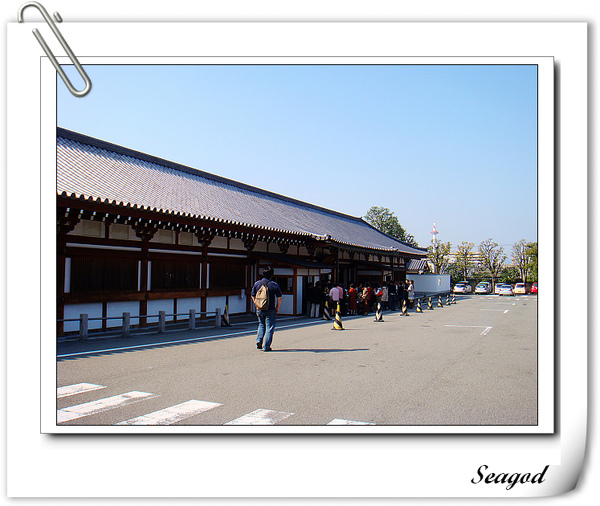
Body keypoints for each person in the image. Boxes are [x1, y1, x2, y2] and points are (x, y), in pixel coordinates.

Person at [251, 266, 282, 352]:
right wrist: (277, 307)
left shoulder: (257, 284)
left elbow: (252, 295)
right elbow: (279, 297)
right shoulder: (274, 284)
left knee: (261, 324)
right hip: (270, 308)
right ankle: (266, 346)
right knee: (270, 327)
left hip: (260, 308)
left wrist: (257, 304)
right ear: (272, 274)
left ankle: (259, 340)